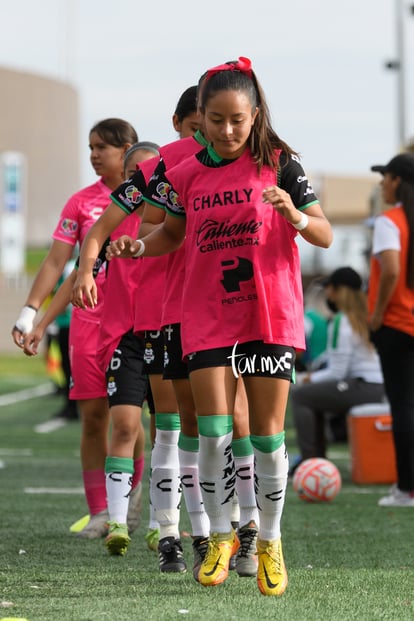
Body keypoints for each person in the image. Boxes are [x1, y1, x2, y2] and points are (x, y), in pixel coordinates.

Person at [106, 56, 333, 596]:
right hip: (207, 318)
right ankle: (225, 535)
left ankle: (272, 539)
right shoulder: (182, 173)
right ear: (197, 120)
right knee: (212, 432)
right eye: (216, 119)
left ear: (255, 115)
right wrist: (140, 244)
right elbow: (172, 235)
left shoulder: (280, 164)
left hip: (267, 315)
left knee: (267, 435)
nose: (228, 130)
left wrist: (294, 215)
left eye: (238, 119)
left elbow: (322, 233)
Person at [12, 118, 138, 538]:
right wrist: (33, 313)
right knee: (91, 419)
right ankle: (100, 511)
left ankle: (130, 506)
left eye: (102, 147)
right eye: (90, 147)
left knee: (129, 419)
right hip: (87, 324)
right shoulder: (81, 203)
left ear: (128, 149)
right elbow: (56, 264)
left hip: (133, 322)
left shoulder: (148, 198)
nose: (94, 155)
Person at [289, 267, 385, 470]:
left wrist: (307, 378)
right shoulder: (370, 315)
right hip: (380, 387)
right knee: (313, 395)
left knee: (301, 395)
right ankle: (317, 461)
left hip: (363, 387)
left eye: (330, 289)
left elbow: (337, 373)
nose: (327, 294)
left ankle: (311, 463)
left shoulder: (341, 320)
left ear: (339, 290)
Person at [368, 153, 414, 508]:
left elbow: (393, 271)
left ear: (397, 180)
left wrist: (378, 314)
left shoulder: (390, 220)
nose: (382, 183)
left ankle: (406, 488)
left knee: (403, 407)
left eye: (385, 177)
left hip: (398, 326)